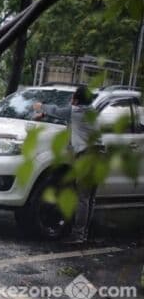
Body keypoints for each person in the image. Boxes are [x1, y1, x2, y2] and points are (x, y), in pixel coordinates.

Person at [33, 85, 102, 244]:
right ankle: (83, 233)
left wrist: (40, 107)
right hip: (99, 155)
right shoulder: (91, 111)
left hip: (86, 156)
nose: (71, 100)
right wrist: (43, 114)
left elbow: (57, 111)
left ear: (76, 100)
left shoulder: (76, 112)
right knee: (89, 198)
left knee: (83, 198)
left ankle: (78, 235)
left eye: (73, 97)